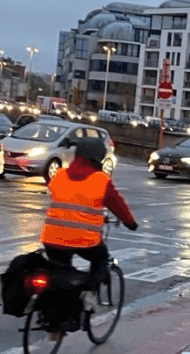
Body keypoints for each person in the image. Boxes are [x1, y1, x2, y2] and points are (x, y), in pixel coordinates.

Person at [38, 136, 136, 337]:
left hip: (52, 239)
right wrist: (130, 222)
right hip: (84, 242)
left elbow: (62, 197)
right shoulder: (101, 180)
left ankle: (55, 322)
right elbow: (117, 205)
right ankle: (89, 292)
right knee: (101, 260)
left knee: (60, 273)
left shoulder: (60, 175)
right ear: (97, 158)